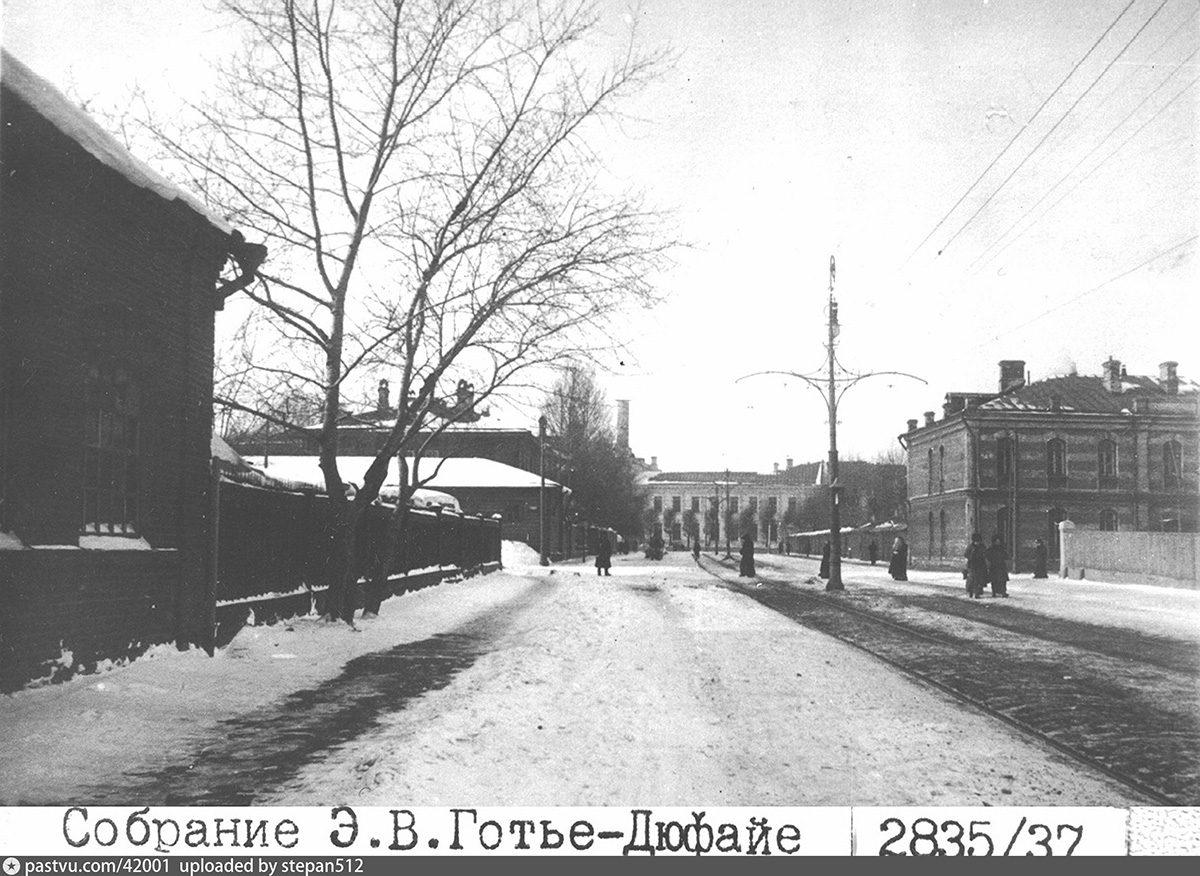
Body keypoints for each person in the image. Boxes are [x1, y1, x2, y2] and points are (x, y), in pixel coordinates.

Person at [965, 532, 988, 598]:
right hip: (973, 565)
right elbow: (966, 554)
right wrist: (971, 556)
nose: (977, 543)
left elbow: (985, 553)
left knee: (980, 579)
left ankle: (978, 592)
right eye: (976, 541)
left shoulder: (982, 546)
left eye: (978, 541)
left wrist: (983, 555)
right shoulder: (971, 547)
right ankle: (971, 592)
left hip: (981, 565)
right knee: (973, 579)